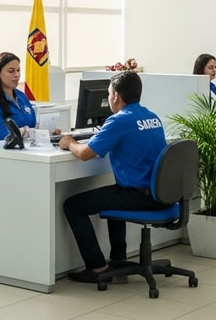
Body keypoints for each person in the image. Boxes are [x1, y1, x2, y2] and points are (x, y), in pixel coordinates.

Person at [58, 71, 167, 283]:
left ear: (115, 96)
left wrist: (69, 142)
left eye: (108, 94)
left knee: (73, 205)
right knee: (115, 191)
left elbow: (84, 154)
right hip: (160, 194)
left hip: (139, 196)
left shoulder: (119, 121)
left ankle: (97, 267)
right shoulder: (152, 117)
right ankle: (118, 260)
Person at [0, 52, 59, 141]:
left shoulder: (22, 96)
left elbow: (32, 125)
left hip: (28, 147)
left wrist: (47, 133)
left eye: (18, 70)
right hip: (3, 149)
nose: (16, 75)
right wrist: (24, 132)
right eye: (11, 71)